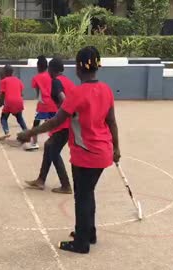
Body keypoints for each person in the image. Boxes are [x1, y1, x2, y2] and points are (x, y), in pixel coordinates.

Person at [17, 46, 121, 254]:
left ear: (78, 68)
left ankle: (81, 242)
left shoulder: (77, 93)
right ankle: (88, 233)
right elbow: (112, 122)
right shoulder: (106, 90)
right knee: (88, 194)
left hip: (85, 155)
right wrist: (117, 147)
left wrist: (30, 133)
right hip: (103, 152)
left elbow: (56, 121)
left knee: (82, 197)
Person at [24, 58, 74, 194]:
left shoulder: (56, 82)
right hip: (68, 122)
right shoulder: (68, 81)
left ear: (51, 70)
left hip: (64, 122)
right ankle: (41, 180)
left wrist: (63, 114)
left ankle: (66, 185)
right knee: (49, 146)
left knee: (53, 150)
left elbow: (64, 101)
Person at [25, 55, 59, 151]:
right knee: (53, 124)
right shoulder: (51, 76)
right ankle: (55, 141)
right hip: (53, 103)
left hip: (43, 104)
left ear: (38, 67)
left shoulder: (36, 78)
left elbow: (37, 93)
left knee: (36, 124)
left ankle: (34, 143)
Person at [0, 65, 27, 140]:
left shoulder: (3, 81)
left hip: (9, 102)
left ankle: (7, 132)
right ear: (13, 72)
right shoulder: (18, 80)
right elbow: (21, 92)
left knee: (3, 118)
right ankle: (26, 131)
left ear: (4, 72)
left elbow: (2, 96)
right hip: (19, 101)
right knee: (20, 118)